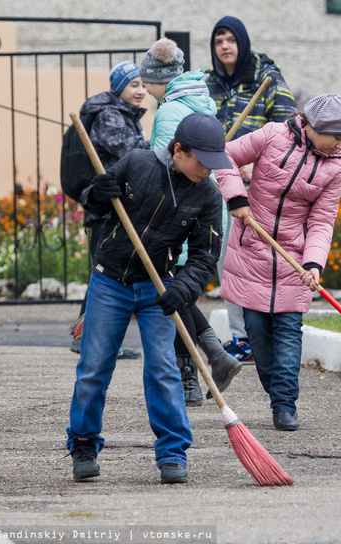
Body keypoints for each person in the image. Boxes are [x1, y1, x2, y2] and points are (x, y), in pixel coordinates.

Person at [66, 112, 229, 484]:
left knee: (164, 370)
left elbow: (205, 255)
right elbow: (94, 204)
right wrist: (98, 194)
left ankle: (172, 452)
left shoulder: (207, 195)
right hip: (109, 282)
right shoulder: (138, 163)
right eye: (202, 161)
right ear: (179, 150)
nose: (207, 170)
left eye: (213, 163)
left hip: (158, 288)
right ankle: (84, 443)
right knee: (93, 368)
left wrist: (182, 290)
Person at [214, 94, 341, 432]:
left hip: (294, 259)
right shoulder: (272, 135)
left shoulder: (335, 166)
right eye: (336, 136)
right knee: (259, 340)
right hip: (253, 247)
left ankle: (284, 404)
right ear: (310, 125)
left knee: (289, 335)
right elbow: (225, 155)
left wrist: (314, 264)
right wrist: (236, 197)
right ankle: (275, 392)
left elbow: (323, 221)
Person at [139, 37, 242, 407]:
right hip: (203, 210)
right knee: (178, 290)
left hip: (178, 213)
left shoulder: (169, 111)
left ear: (157, 80)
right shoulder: (199, 100)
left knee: (172, 290)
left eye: (144, 81)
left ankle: (197, 372)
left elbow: (165, 168)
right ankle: (209, 361)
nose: (143, 88)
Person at [205, 15, 299, 362]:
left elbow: (289, 132)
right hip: (216, 179)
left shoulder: (268, 79)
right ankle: (243, 338)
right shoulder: (207, 83)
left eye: (230, 39)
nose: (224, 46)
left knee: (253, 258)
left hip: (256, 185)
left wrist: (257, 163)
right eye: (218, 41)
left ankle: (259, 334)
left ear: (242, 43)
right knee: (224, 260)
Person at [69, 60, 150, 360]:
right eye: (133, 85)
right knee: (104, 273)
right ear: (118, 88)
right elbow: (134, 151)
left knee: (102, 272)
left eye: (143, 84)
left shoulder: (124, 113)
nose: (140, 90)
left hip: (114, 205)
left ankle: (87, 337)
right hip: (104, 205)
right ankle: (86, 338)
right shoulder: (110, 115)